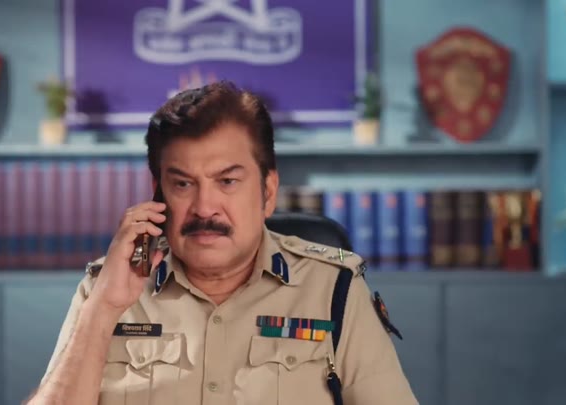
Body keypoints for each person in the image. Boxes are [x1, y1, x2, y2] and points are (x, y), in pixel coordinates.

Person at [26, 81, 418, 405]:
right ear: (158, 193)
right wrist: (102, 310)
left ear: (267, 192)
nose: (204, 207)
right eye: (183, 184)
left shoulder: (334, 288)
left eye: (227, 181)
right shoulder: (106, 288)